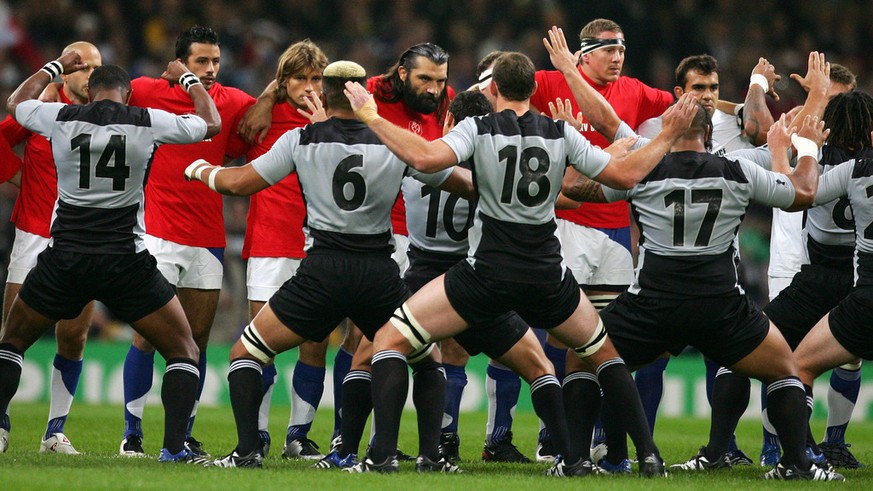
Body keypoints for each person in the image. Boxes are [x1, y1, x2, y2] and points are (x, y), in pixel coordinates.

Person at [344, 51, 697, 476]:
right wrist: (665, 137)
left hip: (487, 273)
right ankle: (642, 457)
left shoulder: (477, 128)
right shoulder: (560, 133)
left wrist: (371, 116)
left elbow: (425, 160)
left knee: (390, 341)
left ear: (493, 89)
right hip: (547, 274)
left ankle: (382, 456)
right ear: (535, 91)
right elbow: (622, 178)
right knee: (603, 354)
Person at [184, 60, 470, 471]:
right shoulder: (395, 142)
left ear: (327, 93)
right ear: (361, 95)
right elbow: (454, 180)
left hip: (322, 271)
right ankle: (428, 456)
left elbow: (240, 182)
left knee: (245, 354)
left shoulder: (302, 139)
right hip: (377, 271)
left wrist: (200, 169)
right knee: (425, 360)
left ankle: (247, 452)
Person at [0, 51, 220, 463]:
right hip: (125, 262)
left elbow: (16, 103)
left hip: (65, 258)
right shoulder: (146, 119)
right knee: (184, 350)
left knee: (11, 343)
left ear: (90, 95)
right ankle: (174, 449)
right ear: (128, 94)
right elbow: (211, 124)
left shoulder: (62, 117)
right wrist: (188, 79)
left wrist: (53, 68)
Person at [527, 18, 673, 462]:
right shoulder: (546, 81)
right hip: (566, 224)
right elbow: (496, 89)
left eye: (622, 48)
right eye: (608, 49)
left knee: (605, 338)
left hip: (616, 230)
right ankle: (552, 435)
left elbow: (688, 107)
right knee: (563, 334)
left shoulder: (638, 92)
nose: (617, 56)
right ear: (583, 53)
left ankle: (602, 439)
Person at [119, 25, 255, 457]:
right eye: (202, 61)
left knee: (195, 340)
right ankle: (132, 434)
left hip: (208, 238)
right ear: (180, 64)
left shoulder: (232, 101)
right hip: (156, 233)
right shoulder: (143, 91)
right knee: (146, 336)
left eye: (216, 61)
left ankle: (181, 436)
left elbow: (243, 139)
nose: (211, 69)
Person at [0, 41, 101, 455]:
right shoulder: (40, 110)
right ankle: (2, 424)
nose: (90, 74)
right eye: (81, 67)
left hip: (81, 238)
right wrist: (24, 182)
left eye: (96, 67)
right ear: (64, 72)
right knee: (13, 334)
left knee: (74, 337)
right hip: (35, 233)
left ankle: (54, 432)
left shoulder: (104, 115)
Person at [759, 64, 862, 468]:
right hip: (792, 256)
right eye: (828, 100)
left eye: (841, 101)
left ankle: (832, 441)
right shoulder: (803, 130)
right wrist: (815, 98)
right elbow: (781, 154)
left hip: (841, 261)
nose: (833, 111)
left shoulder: (852, 156)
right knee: (780, 352)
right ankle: (776, 445)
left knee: (844, 354)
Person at [238, 39, 332, 460]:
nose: (309, 87)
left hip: (319, 246)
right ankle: (257, 434)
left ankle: (298, 435)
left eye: (316, 79)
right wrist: (264, 99)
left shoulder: (333, 120)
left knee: (315, 343)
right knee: (261, 342)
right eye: (300, 79)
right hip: (271, 243)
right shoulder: (260, 119)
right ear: (283, 81)